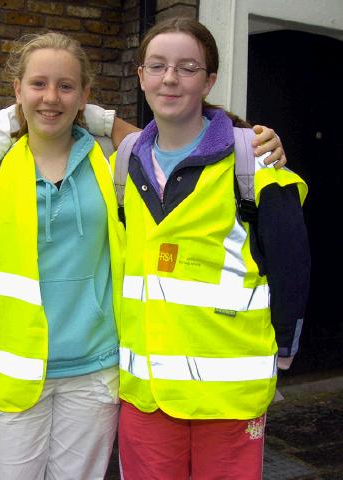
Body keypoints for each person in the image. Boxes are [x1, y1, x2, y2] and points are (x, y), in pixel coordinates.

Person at [0, 36, 286, 480]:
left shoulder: (117, 162)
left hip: (96, 369)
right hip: (18, 373)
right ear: (16, 91)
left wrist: (254, 141)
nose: (51, 97)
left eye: (66, 86)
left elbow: (172, 138)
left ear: (84, 94)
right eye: (38, 84)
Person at [115, 17, 310, 479]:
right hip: (146, 393)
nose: (170, 78)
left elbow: (291, 264)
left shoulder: (255, 159)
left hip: (228, 395)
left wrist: (284, 348)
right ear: (140, 76)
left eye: (187, 67)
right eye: (157, 66)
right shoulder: (123, 162)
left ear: (209, 80)